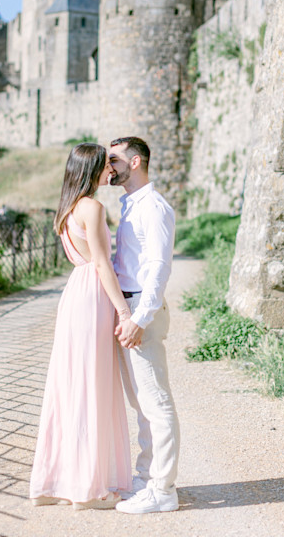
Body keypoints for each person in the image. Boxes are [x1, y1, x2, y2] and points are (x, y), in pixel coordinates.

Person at [29, 143, 132, 510]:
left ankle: (50, 484)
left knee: (68, 385)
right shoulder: (93, 207)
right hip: (93, 296)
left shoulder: (67, 209)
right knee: (92, 385)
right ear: (91, 170)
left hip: (74, 293)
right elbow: (102, 264)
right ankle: (89, 490)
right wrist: (123, 311)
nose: (111, 171)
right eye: (106, 166)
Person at [108, 136, 180, 515]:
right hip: (130, 307)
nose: (109, 166)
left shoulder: (153, 207)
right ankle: (147, 477)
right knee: (141, 403)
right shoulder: (131, 205)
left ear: (135, 162)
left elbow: (158, 269)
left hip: (141, 310)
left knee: (156, 402)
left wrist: (139, 318)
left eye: (115, 159)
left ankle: (163, 490)